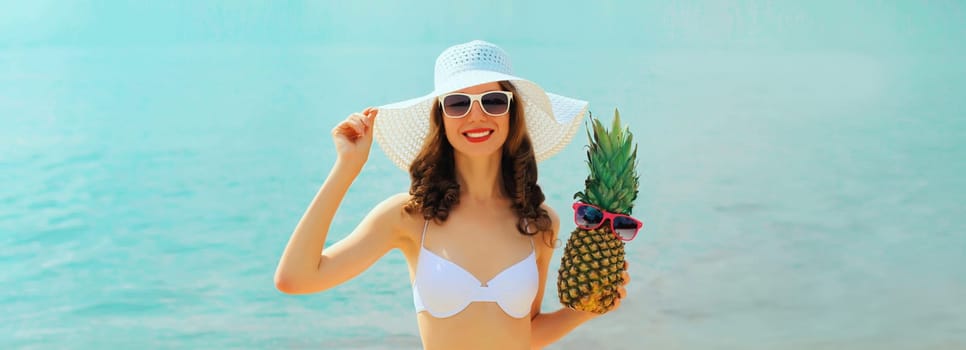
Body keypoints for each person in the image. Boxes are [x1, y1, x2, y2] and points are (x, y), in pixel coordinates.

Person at [274, 40, 631, 350]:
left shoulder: (539, 223)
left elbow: (528, 334)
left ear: (512, 114)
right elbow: (296, 278)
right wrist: (347, 168)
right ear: (442, 117)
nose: (476, 116)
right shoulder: (409, 217)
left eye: (493, 101)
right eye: (459, 103)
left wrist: (586, 310)